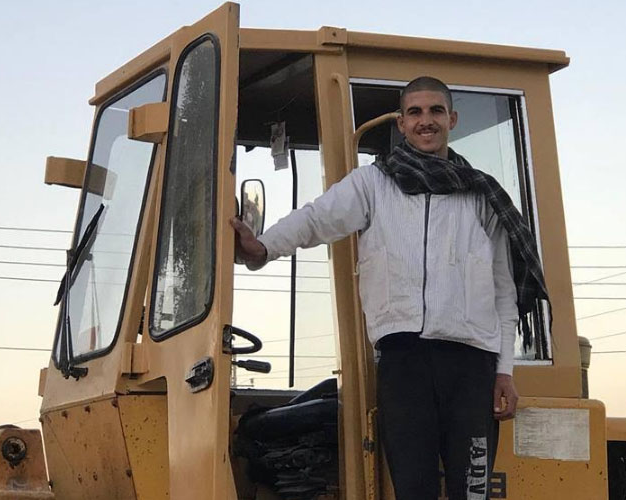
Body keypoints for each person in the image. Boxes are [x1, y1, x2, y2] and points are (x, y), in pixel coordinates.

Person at [230, 76, 548, 500]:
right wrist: (264, 247)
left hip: (471, 367)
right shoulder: (373, 185)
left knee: (473, 492)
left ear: (451, 119)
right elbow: (316, 218)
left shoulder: (481, 194)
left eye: (435, 111)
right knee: (413, 489)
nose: (425, 121)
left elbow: (503, 289)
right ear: (401, 123)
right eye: (415, 112)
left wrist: (504, 370)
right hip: (404, 363)